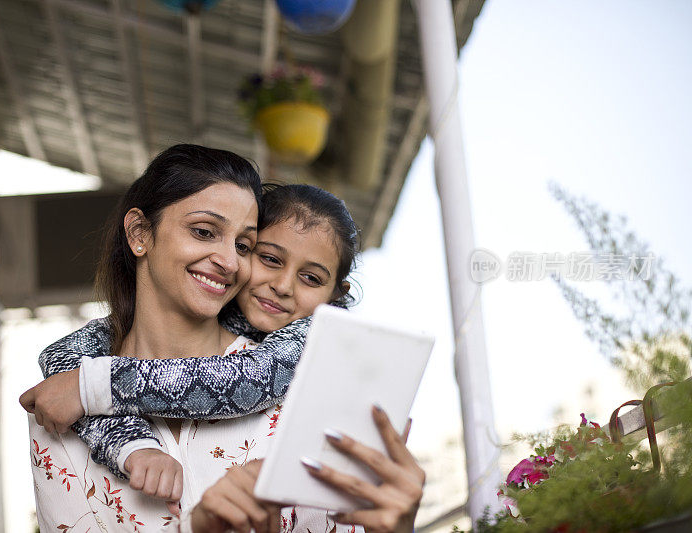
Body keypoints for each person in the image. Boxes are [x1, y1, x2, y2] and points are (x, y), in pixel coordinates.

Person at [24, 146, 425, 532]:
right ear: (139, 232)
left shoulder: (313, 380)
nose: (230, 262)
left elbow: (244, 380)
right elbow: (65, 353)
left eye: (244, 245)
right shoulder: (59, 405)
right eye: (203, 231)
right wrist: (123, 437)